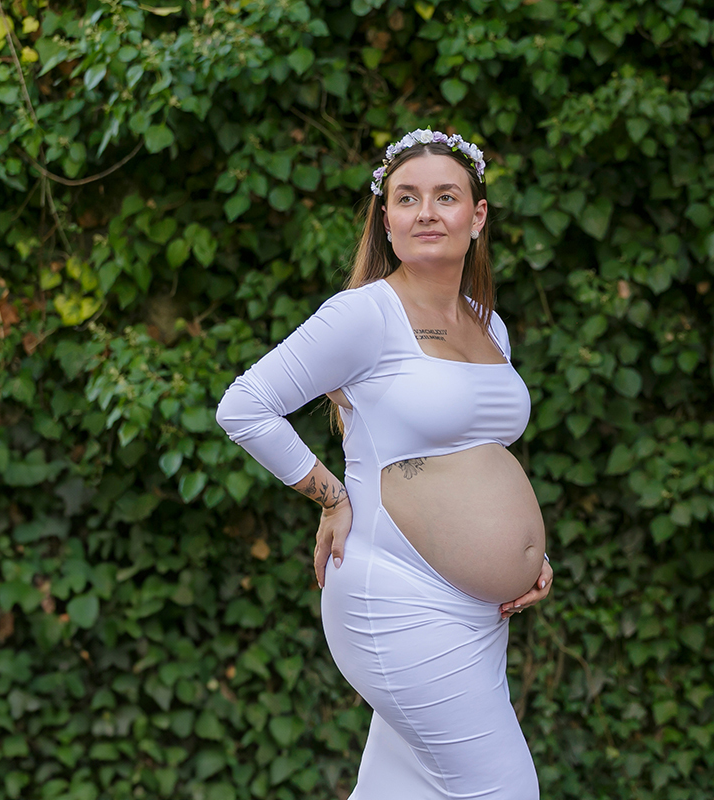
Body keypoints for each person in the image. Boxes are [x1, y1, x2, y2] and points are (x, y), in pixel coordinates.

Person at [215, 128, 552, 799]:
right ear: (387, 221)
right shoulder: (363, 316)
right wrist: (331, 496)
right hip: (398, 596)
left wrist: (526, 555)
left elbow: (481, 453)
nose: (427, 212)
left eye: (446, 196)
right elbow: (245, 406)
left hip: (479, 611)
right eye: (407, 198)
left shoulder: (489, 324)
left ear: (477, 216)